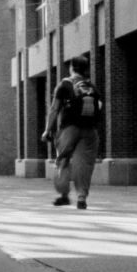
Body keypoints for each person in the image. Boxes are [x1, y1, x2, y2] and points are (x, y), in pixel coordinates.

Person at [40, 55, 102, 209]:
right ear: (85, 69)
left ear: (71, 68)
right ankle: (81, 197)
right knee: (84, 165)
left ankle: (64, 195)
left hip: (68, 129)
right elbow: (99, 106)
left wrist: (47, 129)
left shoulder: (64, 84)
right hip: (89, 131)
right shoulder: (91, 86)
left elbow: (54, 108)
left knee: (63, 161)